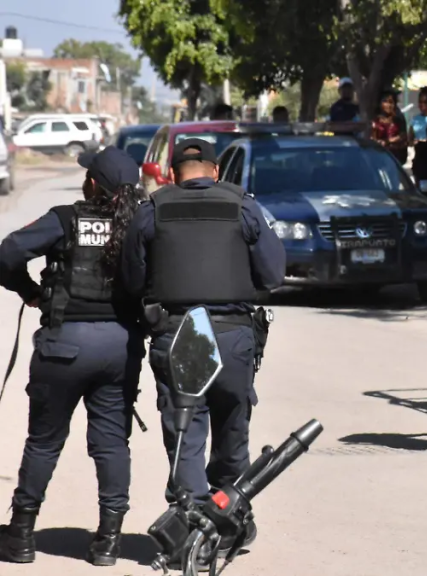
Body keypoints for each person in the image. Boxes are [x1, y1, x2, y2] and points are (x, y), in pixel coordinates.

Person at [120, 138, 286, 558]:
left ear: (173, 174)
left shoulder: (152, 209)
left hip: (179, 331)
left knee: (186, 431)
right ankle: (230, 514)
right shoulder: (243, 205)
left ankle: (191, 527)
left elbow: (132, 280)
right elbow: (273, 273)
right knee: (233, 424)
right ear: (215, 171)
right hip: (233, 333)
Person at [0, 147, 148, 566]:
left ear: (92, 184)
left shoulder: (65, 218)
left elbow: (6, 254)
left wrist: (29, 291)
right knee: (112, 442)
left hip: (64, 345)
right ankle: (108, 543)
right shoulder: (141, 223)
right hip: (120, 346)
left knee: (44, 441)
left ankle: (22, 536)